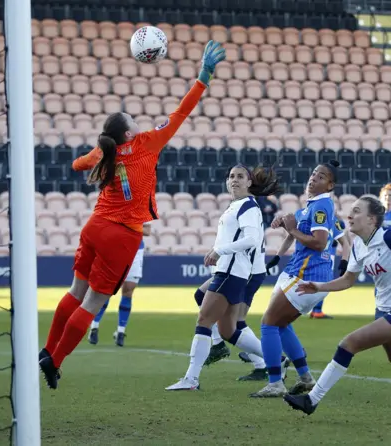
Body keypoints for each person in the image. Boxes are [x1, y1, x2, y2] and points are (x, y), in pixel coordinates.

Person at [38, 40, 226, 390]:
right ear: (128, 132)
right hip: (122, 234)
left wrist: (97, 153)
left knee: (76, 291)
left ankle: (47, 349)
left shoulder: (105, 152)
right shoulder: (146, 144)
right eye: (133, 121)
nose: (139, 123)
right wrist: (203, 77)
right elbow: (182, 113)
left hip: (94, 226)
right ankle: (55, 360)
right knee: (94, 300)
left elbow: (78, 164)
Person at [284, 195, 391, 415]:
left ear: (371, 219)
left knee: (348, 344)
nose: (350, 215)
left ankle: (312, 400)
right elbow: (348, 280)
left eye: (357, 211)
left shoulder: (390, 236)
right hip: (383, 309)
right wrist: (318, 287)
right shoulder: (358, 245)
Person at [165, 165, 282, 391]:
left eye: (240, 177)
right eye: (231, 177)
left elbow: (251, 239)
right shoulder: (237, 206)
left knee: (204, 321)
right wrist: (218, 250)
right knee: (228, 330)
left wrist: (220, 251)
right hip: (231, 271)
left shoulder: (248, 206)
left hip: (231, 272)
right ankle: (277, 360)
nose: (234, 180)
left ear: (249, 182)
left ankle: (191, 379)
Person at [249, 160, 340, 398]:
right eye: (313, 173)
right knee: (281, 324)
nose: (313, 178)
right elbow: (297, 228)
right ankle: (306, 377)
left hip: (306, 274)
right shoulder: (313, 205)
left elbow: (319, 242)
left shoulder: (321, 207)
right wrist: (288, 225)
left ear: (330, 184)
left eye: (321, 177)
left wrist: (293, 229)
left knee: (268, 323)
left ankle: (275, 382)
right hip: (308, 274)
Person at [70, 146, 152, 347]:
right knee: (105, 289)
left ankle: (121, 331)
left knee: (128, 290)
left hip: (135, 249)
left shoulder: (142, 196)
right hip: (115, 247)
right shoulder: (116, 194)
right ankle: (94, 326)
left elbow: (147, 229)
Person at [310, 217, 351, 319]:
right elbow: (344, 237)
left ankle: (315, 310)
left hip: (320, 254)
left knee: (319, 282)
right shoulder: (336, 221)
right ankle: (317, 311)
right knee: (325, 282)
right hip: (328, 254)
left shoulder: (321, 219)